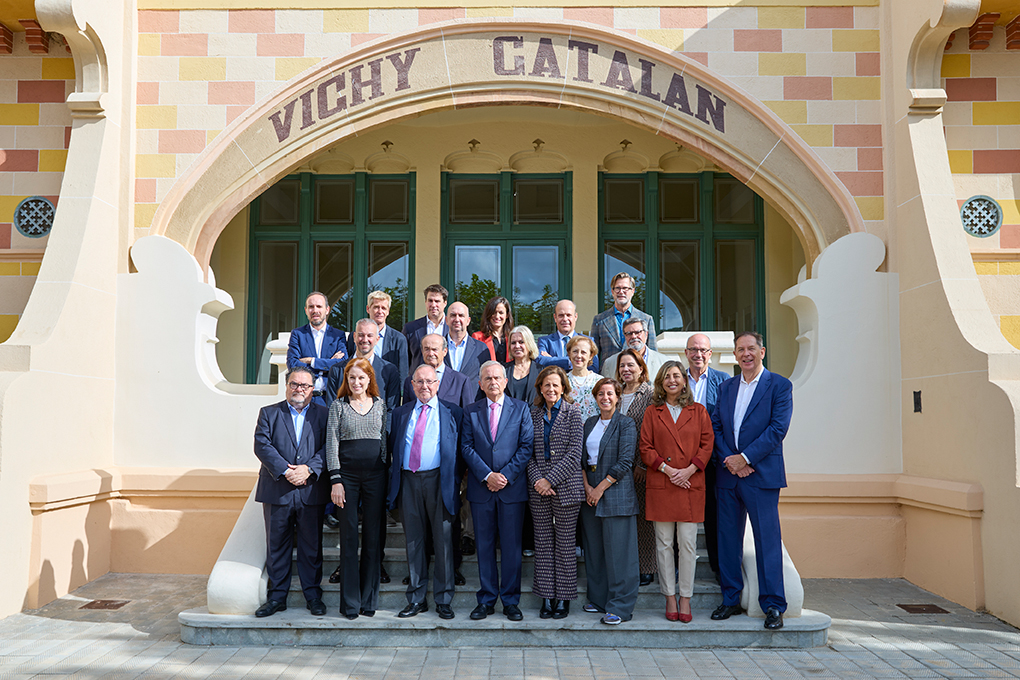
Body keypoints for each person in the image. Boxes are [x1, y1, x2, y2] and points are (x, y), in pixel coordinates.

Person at [710, 332, 793, 631]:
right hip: (728, 475)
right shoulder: (727, 386)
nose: (746, 354)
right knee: (727, 541)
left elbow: (777, 429)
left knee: (767, 541)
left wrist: (745, 458)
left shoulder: (780, 386)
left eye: (751, 349)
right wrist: (731, 460)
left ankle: (773, 605)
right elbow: (716, 425)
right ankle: (731, 598)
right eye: (740, 350)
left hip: (761, 476)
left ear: (762, 351)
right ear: (734, 355)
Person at [640, 360, 714, 623]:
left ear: (684, 381)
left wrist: (689, 471)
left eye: (676, 376)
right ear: (660, 383)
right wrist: (670, 471)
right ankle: (669, 596)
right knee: (664, 544)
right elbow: (645, 447)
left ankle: (686, 597)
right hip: (663, 482)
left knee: (687, 543)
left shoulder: (699, 411)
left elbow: (707, 445)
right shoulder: (652, 412)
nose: (672, 380)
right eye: (666, 376)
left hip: (690, 484)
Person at [460, 361, 535, 622]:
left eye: (497, 378)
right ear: (480, 384)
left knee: (512, 548)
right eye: (487, 378)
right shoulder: (470, 411)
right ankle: (487, 599)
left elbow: (526, 446)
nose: (493, 382)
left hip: (511, 489)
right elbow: (466, 447)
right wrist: (487, 475)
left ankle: (511, 601)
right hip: (482, 490)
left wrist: (505, 476)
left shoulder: (521, 409)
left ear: (505, 381)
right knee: (484, 546)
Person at [253, 365, 329, 618]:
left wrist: (308, 469)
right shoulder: (269, 413)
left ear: (313, 389)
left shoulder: (324, 414)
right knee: (277, 546)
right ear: (287, 386)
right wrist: (287, 471)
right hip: (277, 490)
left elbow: (328, 448)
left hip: (310, 490)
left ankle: (313, 595)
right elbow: (262, 445)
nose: (299, 389)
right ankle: (277, 598)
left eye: (305, 386)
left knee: (311, 546)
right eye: (294, 384)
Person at [387, 365, 463, 620]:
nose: (424, 386)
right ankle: (417, 598)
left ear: (438, 384)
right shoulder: (400, 413)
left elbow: (462, 451)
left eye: (429, 381)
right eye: (419, 382)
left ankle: (443, 598)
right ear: (411, 385)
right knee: (414, 541)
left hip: (440, 481)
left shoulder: (453, 412)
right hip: (408, 480)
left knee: (443, 541)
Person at [325, 357, 389, 619]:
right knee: (349, 537)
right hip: (347, 478)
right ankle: (350, 603)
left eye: (361, 377)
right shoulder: (338, 406)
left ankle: (368, 600)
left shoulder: (381, 406)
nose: (357, 382)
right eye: (352, 377)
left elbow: (385, 442)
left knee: (373, 538)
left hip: (376, 476)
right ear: (346, 380)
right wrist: (335, 479)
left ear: (369, 379)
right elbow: (331, 443)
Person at [579, 377, 640, 625]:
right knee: (595, 550)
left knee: (620, 554)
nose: (605, 398)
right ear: (595, 398)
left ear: (617, 397)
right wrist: (586, 487)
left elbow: (626, 461)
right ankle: (598, 599)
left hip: (615, 491)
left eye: (610, 394)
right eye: (600, 394)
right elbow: (580, 458)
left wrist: (600, 488)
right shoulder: (589, 423)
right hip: (590, 490)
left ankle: (621, 607)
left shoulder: (626, 424)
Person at [526, 366, 584, 620]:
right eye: (546, 385)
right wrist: (539, 480)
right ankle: (547, 596)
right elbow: (526, 451)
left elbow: (575, 454)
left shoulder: (574, 413)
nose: (551, 389)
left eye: (556, 385)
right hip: (538, 488)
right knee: (543, 543)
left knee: (565, 544)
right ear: (540, 387)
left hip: (566, 488)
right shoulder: (532, 414)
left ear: (563, 388)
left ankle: (563, 597)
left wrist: (550, 479)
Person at [684, 332, 730, 580]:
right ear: (686, 353)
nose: (698, 354)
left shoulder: (724, 382)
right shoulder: (676, 380)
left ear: (710, 354)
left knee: (714, 516)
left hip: (712, 461)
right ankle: (680, 566)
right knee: (681, 516)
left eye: (703, 350)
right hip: (681, 463)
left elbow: (726, 422)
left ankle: (717, 567)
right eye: (693, 349)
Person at [614, 348, 657, 587]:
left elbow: (652, 433)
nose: (626, 370)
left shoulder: (650, 394)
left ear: (641, 368)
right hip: (617, 468)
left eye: (631, 365)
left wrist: (642, 464)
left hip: (640, 468)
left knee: (643, 519)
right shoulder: (615, 393)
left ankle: (647, 567)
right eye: (622, 366)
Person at [328, 318, 400, 419]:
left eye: (370, 335)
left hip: (377, 433)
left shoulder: (390, 371)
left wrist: (384, 434)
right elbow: (331, 410)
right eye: (361, 335)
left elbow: (391, 410)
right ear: (354, 337)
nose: (365, 340)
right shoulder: (337, 370)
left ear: (377, 339)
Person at [286, 292, 347, 408]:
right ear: (306, 310)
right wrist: (328, 364)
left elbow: (342, 364)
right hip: (304, 399)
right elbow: (293, 365)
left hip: (329, 399)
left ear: (327, 309)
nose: (315, 310)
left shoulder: (338, 336)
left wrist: (311, 361)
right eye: (311, 307)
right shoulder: (298, 334)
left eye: (319, 306)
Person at [348, 290, 409, 394]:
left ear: (388, 311)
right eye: (376, 307)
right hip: (356, 391)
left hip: (385, 392)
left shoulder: (399, 339)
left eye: (383, 308)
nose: (380, 311)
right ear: (368, 309)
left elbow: (402, 373)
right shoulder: (355, 336)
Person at [589, 273, 657, 363]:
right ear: (612, 292)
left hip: (637, 373)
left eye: (625, 288)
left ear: (632, 291)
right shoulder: (599, 320)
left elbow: (653, 353)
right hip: (609, 373)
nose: (621, 292)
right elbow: (593, 354)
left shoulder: (646, 319)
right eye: (617, 288)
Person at [402, 333, 475, 409]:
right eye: (427, 349)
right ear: (422, 351)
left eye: (435, 349)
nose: (430, 353)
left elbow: (468, 414)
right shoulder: (411, 382)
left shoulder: (461, 381)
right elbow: (406, 413)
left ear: (445, 351)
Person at [536, 300, 600, 373]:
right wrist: (573, 362)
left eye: (569, 315)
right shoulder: (545, 341)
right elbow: (540, 362)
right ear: (555, 317)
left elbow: (594, 368)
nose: (565, 319)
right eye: (561, 315)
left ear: (575, 317)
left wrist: (553, 360)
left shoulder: (588, 341)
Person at [601, 317, 668, 384]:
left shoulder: (663, 362)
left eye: (638, 332)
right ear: (625, 336)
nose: (633, 336)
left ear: (646, 334)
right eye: (629, 333)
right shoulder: (610, 364)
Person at [403, 284, 448, 370]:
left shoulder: (452, 328)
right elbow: (405, 360)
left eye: (437, 301)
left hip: (446, 380)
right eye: (430, 301)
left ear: (445, 303)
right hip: (418, 381)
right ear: (425, 302)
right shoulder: (411, 328)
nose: (433, 305)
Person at [445, 301, 489, 382]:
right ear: (446, 320)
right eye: (453, 315)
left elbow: (486, 379)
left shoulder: (481, 349)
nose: (457, 319)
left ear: (468, 321)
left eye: (461, 315)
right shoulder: (437, 347)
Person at [565, 335, 603, 420]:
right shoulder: (563, 381)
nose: (578, 355)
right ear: (569, 354)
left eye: (583, 352)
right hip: (569, 431)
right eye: (575, 351)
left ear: (591, 356)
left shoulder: (600, 381)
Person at [503, 325, 542, 404]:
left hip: (533, 415)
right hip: (510, 415)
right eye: (513, 343)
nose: (517, 346)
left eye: (521, 342)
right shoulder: (503, 369)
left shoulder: (540, 370)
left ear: (529, 343)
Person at [472, 296, 514, 363]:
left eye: (501, 313)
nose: (497, 316)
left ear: (507, 315)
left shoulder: (512, 338)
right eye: (494, 312)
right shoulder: (478, 337)